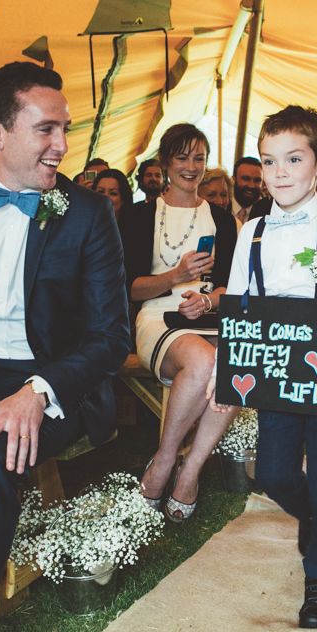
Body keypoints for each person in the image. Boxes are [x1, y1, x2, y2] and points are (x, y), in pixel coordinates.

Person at [0, 61, 130, 632]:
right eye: (46, 130)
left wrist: (36, 392)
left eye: (65, 129)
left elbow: (109, 336)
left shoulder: (89, 214)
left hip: (61, 383)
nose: (62, 146)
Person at [209, 105, 317, 629]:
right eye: (269, 161)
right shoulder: (252, 233)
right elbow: (239, 304)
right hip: (276, 376)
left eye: (293, 159)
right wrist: (229, 372)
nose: (280, 172)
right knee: (273, 472)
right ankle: (313, 515)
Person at [120, 123, 238, 522]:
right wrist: (176, 276)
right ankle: (165, 460)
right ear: (166, 162)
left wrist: (206, 298)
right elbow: (129, 289)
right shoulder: (139, 216)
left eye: (199, 158)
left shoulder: (222, 219)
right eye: (183, 157)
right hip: (157, 315)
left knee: (235, 364)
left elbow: (232, 288)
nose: (192, 167)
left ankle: (190, 472)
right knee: (206, 361)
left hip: (207, 314)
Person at [231, 156, 262, 223]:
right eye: (246, 179)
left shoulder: (267, 212)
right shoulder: (222, 205)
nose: (251, 186)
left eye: (257, 180)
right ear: (233, 180)